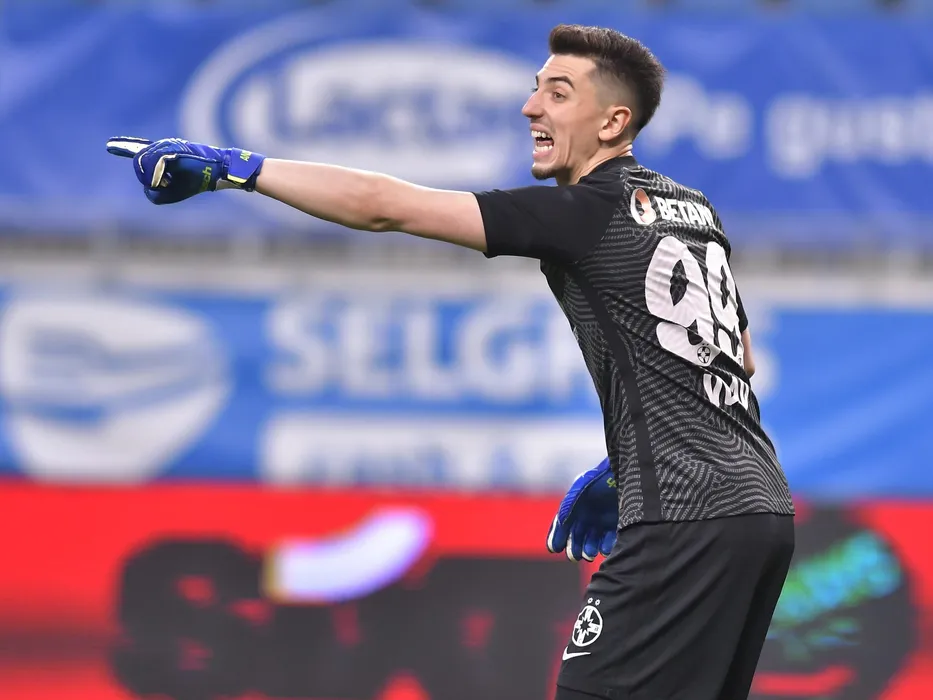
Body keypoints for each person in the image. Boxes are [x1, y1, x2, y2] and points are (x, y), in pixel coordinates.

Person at [108, 23, 795, 700]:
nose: (530, 107)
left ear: (613, 122)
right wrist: (629, 464)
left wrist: (236, 168)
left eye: (557, 94)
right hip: (760, 509)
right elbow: (735, 357)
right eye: (535, 89)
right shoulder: (693, 209)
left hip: (682, 515)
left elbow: (384, 208)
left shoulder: (585, 211)